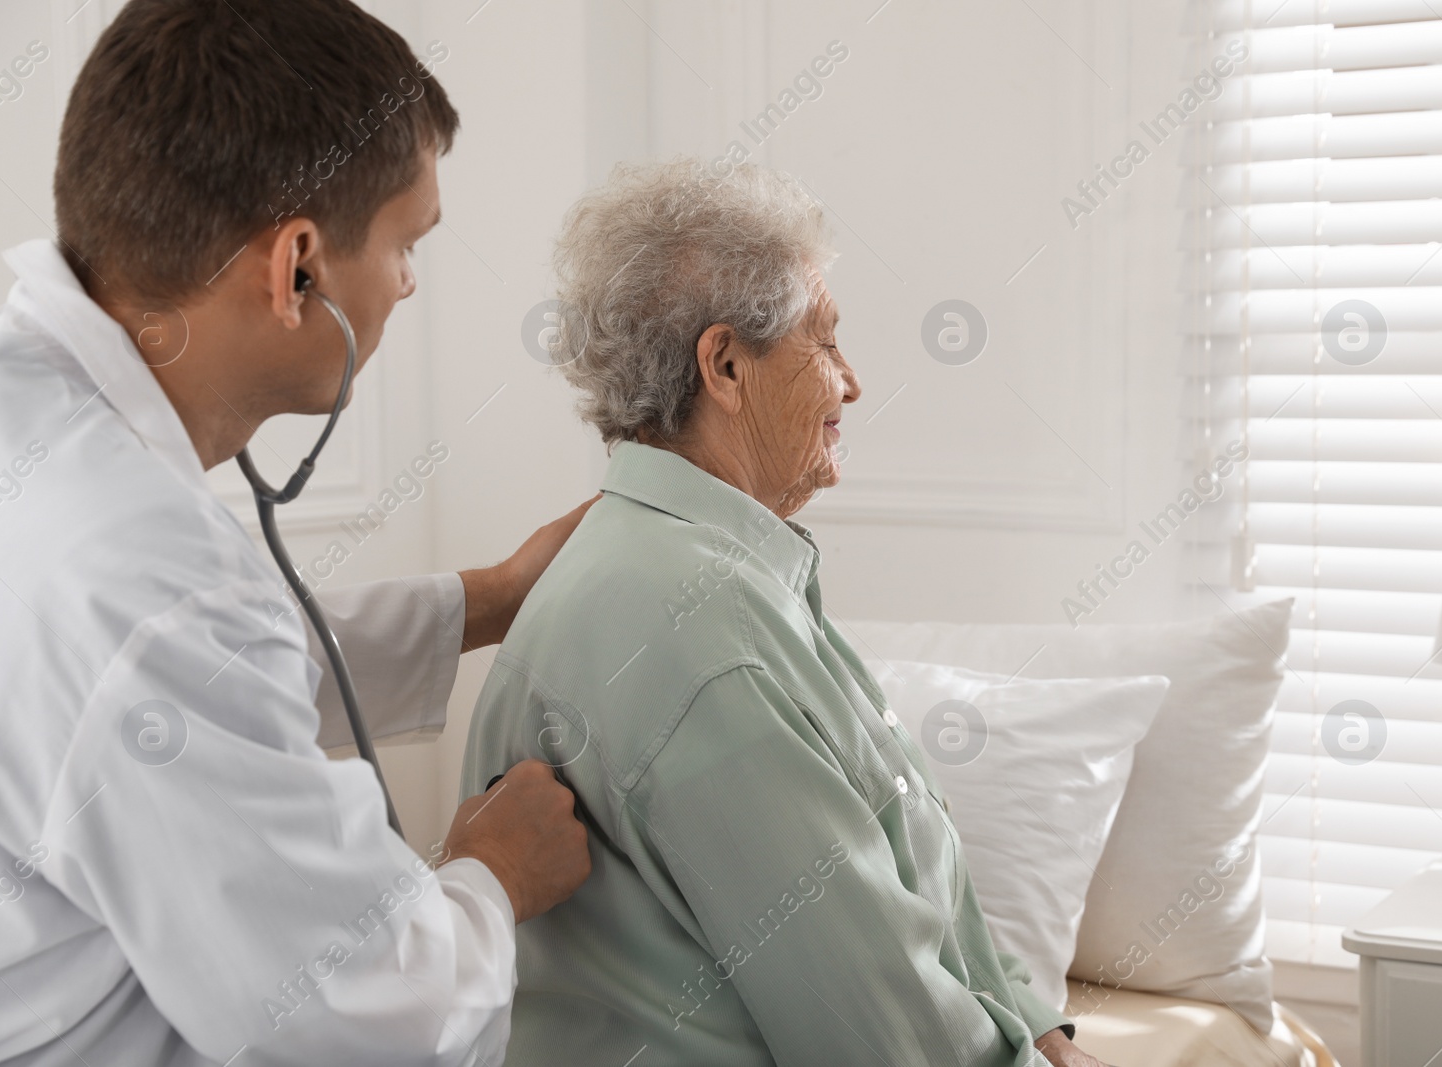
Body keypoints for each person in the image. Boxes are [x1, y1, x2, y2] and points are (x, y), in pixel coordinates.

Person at [0, 2, 590, 1064]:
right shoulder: (152, 585)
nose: (407, 283)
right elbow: (360, 1019)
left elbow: (178, 680)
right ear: (296, 266)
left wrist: (495, 595)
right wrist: (492, 874)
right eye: (405, 243)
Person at [461, 159, 1116, 1067]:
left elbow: (907, 886)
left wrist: (1038, 1026)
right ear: (725, 364)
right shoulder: (697, 627)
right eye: (826, 341)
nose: (852, 382)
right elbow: (881, 1035)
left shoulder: (709, 573)